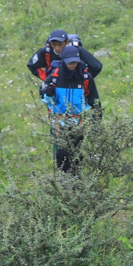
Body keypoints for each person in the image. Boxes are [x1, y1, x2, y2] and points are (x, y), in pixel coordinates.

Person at [44, 45, 101, 173]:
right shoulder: (55, 76)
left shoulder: (85, 78)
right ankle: (64, 181)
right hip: (59, 122)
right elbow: (44, 97)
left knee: (75, 153)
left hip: (77, 122)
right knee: (61, 153)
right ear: (63, 60)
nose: (72, 65)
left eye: (74, 62)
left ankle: (76, 181)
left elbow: (94, 99)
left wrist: (97, 118)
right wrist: (49, 93)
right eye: (69, 62)